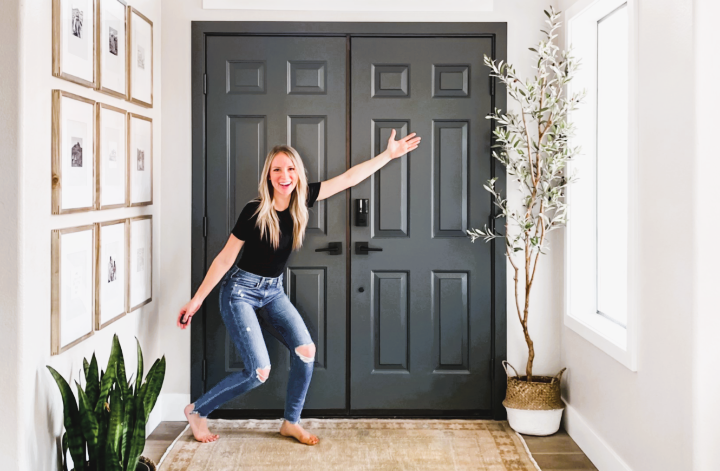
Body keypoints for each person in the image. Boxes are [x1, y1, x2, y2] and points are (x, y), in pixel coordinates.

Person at [177, 130, 421, 445]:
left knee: (306, 351)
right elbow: (225, 259)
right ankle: (197, 411)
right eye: (277, 169)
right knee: (259, 371)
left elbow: (348, 178)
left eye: (290, 169)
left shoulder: (302, 199)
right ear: (268, 175)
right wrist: (196, 300)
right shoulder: (254, 212)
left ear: (298, 174)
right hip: (240, 291)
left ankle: (290, 422)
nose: (285, 175)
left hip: (273, 291)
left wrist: (388, 155)